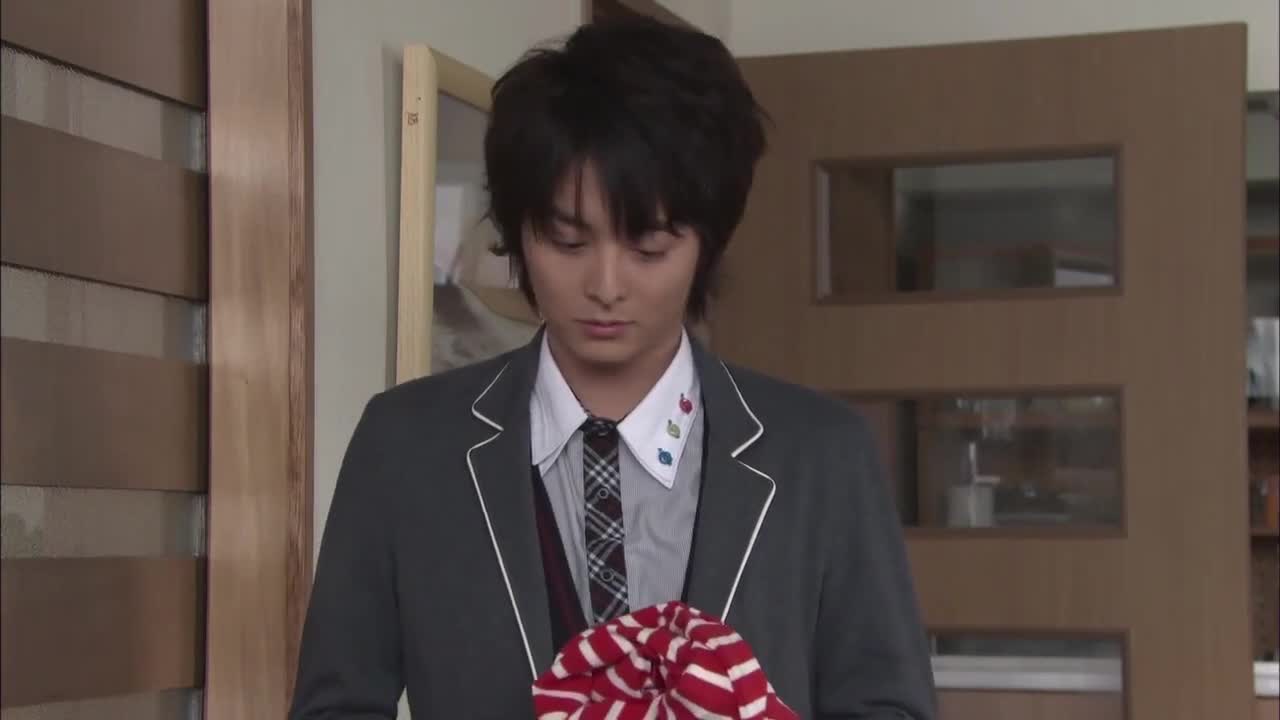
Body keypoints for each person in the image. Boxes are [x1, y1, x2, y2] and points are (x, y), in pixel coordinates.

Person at [290, 16, 936, 720]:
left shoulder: (821, 453)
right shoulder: (405, 444)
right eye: (567, 242)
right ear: (519, 234)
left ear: (708, 242)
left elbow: (889, 707)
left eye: (649, 248)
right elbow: (336, 706)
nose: (605, 285)